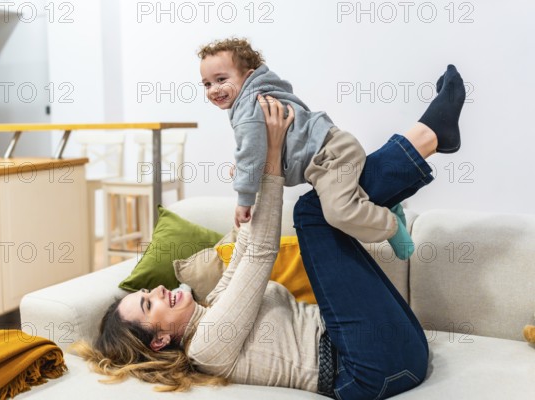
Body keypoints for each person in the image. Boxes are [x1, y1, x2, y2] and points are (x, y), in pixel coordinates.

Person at [75, 65, 466, 399]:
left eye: (146, 293)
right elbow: (262, 254)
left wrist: (252, 178)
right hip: (371, 367)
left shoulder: (214, 304)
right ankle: (428, 137)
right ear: (160, 340)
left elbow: (246, 241)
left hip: (391, 344)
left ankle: (429, 138)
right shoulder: (207, 346)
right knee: (312, 212)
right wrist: (274, 156)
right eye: (148, 304)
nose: (157, 291)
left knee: (324, 201)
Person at [199, 37, 464, 260]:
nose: (214, 89)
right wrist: (250, 166)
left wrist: (244, 197)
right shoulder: (262, 95)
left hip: (332, 154)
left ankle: (390, 225)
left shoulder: (248, 110)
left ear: (247, 76)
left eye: (222, 79)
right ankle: (387, 198)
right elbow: (257, 149)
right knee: (335, 203)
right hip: (327, 156)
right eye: (207, 84)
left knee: (339, 212)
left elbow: (250, 153)